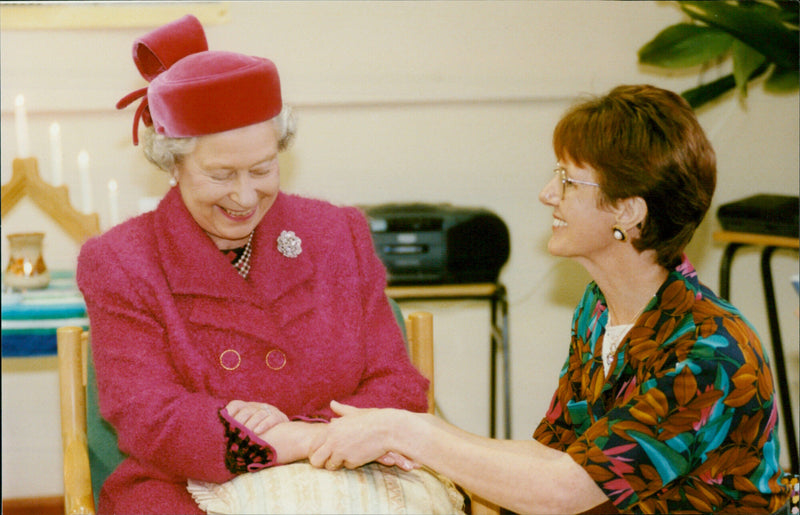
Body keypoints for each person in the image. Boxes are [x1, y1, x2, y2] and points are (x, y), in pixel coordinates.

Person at [308, 85, 793, 514]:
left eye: (567, 180)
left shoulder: (710, 353)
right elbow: (554, 454)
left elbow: (563, 492)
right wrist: (409, 427)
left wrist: (411, 434)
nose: (546, 194)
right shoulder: (599, 308)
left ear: (628, 210)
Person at [77, 15, 428, 514]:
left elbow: (399, 386)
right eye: (221, 175)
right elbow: (150, 418)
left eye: (263, 169)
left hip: (344, 479)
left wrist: (306, 436)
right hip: (181, 488)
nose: (245, 196)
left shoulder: (337, 234)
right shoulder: (120, 262)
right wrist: (281, 444)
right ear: (173, 164)